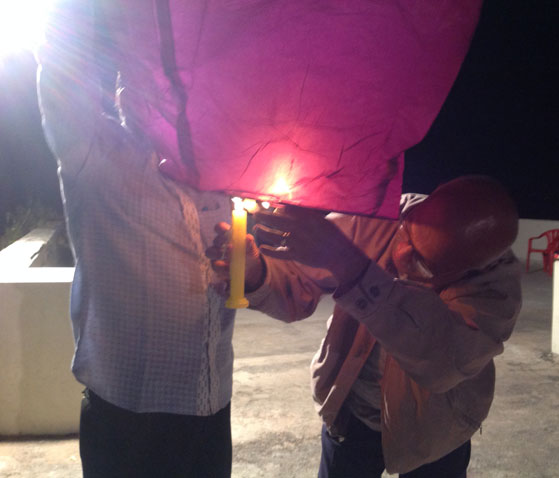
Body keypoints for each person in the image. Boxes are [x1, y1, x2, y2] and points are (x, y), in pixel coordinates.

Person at [210, 175, 522, 477]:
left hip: (437, 428)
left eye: (424, 265)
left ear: (469, 269)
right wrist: (255, 272)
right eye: (406, 234)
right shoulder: (380, 218)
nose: (400, 256)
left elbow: (441, 361)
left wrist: (353, 268)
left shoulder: (496, 289)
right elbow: (297, 280)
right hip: (352, 412)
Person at [37, 3, 234, 477]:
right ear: (120, 95)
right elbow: (61, 78)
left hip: (211, 413)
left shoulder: (224, 173)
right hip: (127, 420)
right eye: (135, 78)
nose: (159, 91)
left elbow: (258, 281)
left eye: (173, 79)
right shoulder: (96, 157)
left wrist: (254, 274)